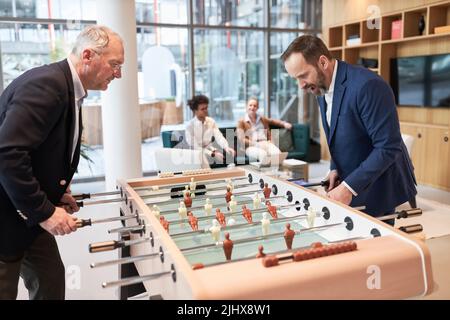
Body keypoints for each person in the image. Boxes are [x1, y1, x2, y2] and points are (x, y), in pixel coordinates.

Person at [0, 25, 124, 300]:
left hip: (28, 214)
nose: (119, 74)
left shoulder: (67, 87)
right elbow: (8, 153)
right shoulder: (48, 85)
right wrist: (45, 212)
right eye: (114, 65)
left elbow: (38, 150)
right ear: (88, 55)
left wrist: (55, 193)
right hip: (7, 212)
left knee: (50, 282)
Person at [281, 35, 417, 220]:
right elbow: (339, 135)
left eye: (303, 75)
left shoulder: (368, 86)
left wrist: (348, 187)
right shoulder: (320, 87)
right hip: (351, 183)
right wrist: (335, 168)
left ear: (322, 62)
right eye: (296, 79)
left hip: (379, 187)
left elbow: (387, 147)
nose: (301, 85)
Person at [237, 97, 292, 165]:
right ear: (246, 107)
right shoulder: (241, 122)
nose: (252, 107)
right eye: (250, 105)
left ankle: (276, 173)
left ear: (257, 108)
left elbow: (273, 121)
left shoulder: (262, 119)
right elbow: (242, 139)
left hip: (266, 143)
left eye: (255, 106)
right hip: (251, 146)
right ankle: (266, 174)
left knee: (278, 154)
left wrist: (284, 123)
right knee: (263, 154)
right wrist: (256, 144)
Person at [185, 95, 235, 168]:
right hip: (196, 153)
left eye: (206, 108)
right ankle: (208, 176)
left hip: (210, 150)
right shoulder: (189, 126)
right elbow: (196, 147)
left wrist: (226, 147)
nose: (206, 110)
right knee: (201, 156)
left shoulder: (211, 121)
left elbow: (219, 137)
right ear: (195, 111)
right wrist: (212, 154)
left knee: (228, 154)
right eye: (203, 109)